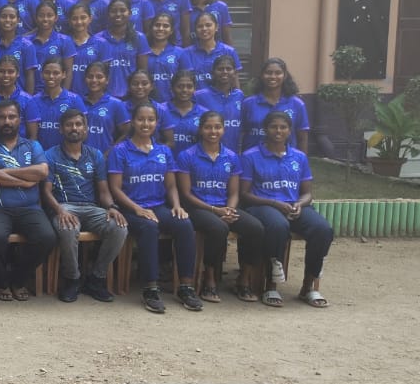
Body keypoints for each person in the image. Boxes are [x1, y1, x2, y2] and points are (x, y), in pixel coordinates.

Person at [107, 101, 202, 314]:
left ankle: (186, 287)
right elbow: (115, 189)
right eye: (141, 119)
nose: (145, 124)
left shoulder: (164, 151)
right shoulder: (120, 151)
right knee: (149, 227)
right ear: (133, 122)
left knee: (184, 224)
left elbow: (171, 185)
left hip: (158, 206)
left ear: (157, 123)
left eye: (150, 120)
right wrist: (136, 209)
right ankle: (150, 288)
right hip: (130, 208)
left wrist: (176, 206)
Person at [240, 110, 334, 309]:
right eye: (273, 127)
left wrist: (299, 204)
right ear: (265, 129)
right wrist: (274, 203)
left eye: (283, 127)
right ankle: (271, 285)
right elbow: (244, 194)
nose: (278, 131)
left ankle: (308, 286)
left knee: (322, 229)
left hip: (293, 206)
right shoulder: (250, 156)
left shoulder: (299, 157)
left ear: (289, 131)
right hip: (262, 206)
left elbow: (308, 193)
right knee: (278, 226)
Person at [176, 111, 265, 303]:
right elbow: (186, 194)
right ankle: (209, 278)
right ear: (201, 129)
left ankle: (243, 279)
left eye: (217, 127)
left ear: (224, 129)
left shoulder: (231, 157)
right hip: (197, 208)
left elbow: (234, 193)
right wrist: (214, 211)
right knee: (218, 228)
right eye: (208, 127)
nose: (213, 131)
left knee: (255, 228)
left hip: (224, 208)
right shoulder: (187, 155)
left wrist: (230, 210)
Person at [41, 108, 126, 303]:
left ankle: (97, 278)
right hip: (64, 206)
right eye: (69, 125)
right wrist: (60, 210)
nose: (74, 128)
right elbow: (45, 192)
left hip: (91, 207)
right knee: (68, 227)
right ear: (61, 129)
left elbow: (103, 191)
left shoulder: (95, 155)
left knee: (119, 227)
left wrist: (112, 207)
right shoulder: (50, 155)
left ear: (86, 129)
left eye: (78, 124)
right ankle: (72, 279)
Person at [0, 100, 54, 302]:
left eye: (11, 117)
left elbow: (42, 171)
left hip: (30, 208)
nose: (7, 121)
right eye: (2, 117)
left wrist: (1, 173)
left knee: (47, 237)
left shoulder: (32, 145)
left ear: (20, 120)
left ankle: (18, 280)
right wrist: (24, 181)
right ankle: (1, 282)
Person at [242, 57, 310, 153]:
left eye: (278, 73)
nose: (273, 76)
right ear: (262, 75)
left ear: (285, 76)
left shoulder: (297, 104)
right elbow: (241, 134)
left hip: (285, 159)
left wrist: (302, 160)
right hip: (253, 159)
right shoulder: (248, 103)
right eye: (268, 73)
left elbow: (302, 138)